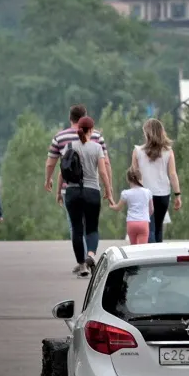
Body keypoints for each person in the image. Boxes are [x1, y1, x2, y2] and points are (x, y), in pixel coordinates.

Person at [45, 104, 110, 253]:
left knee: (75, 226)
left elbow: (51, 164)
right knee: (90, 225)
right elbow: (105, 164)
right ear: (86, 117)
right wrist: (109, 187)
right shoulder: (97, 137)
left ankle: (82, 263)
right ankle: (89, 255)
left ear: (70, 118)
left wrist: (48, 180)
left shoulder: (60, 138)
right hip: (93, 188)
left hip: (69, 188)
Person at [61, 116, 114, 276]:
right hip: (92, 192)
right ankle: (91, 255)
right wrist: (108, 191)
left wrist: (58, 192)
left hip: (72, 192)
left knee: (77, 229)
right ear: (91, 129)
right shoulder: (97, 148)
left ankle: (82, 266)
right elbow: (103, 172)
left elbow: (61, 172)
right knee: (92, 228)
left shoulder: (69, 146)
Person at [132, 118, 182, 243]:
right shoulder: (168, 152)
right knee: (158, 228)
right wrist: (177, 195)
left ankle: (151, 255)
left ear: (146, 133)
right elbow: (172, 174)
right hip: (163, 195)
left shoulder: (137, 151)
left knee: (150, 228)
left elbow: (134, 175)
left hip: (145, 195)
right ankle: (158, 255)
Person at [110, 167, 154, 245]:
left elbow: (118, 208)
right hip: (143, 222)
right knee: (142, 248)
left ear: (128, 180)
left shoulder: (126, 193)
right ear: (140, 178)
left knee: (133, 247)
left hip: (131, 223)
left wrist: (112, 205)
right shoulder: (147, 192)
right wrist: (146, 216)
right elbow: (151, 210)